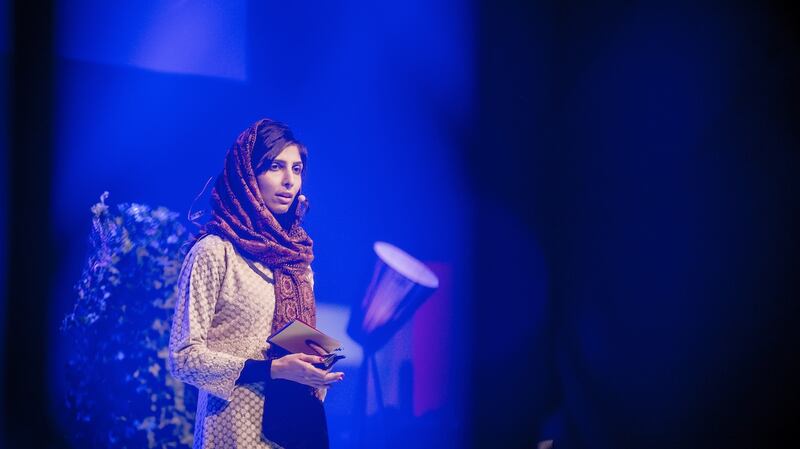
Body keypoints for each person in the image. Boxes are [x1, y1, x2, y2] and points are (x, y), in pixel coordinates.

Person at [168, 118, 344, 449]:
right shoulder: (215, 251)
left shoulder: (297, 261)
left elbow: (296, 346)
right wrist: (271, 369)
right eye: (276, 166)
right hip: (234, 432)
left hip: (295, 430)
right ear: (248, 174)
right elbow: (184, 359)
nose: (290, 180)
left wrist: (317, 365)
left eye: (297, 168)